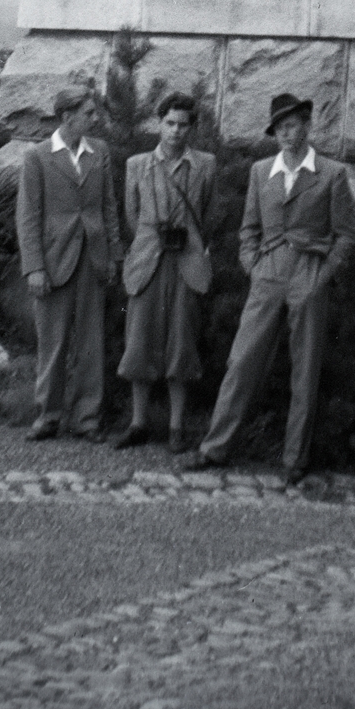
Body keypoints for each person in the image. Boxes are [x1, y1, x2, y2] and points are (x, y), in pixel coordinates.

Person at [185, 91, 355, 485]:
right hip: (268, 273)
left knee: (305, 367)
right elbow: (248, 228)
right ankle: (216, 449)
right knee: (242, 360)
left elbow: (347, 234)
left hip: (309, 273)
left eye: (292, 125)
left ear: (307, 126)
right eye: (279, 128)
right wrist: (253, 264)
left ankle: (294, 459)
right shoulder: (262, 171)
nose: (285, 134)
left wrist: (322, 276)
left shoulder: (331, 173)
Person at [16, 86, 121, 443]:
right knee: (53, 343)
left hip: (93, 259)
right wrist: (34, 267)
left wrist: (113, 256)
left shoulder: (99, 153)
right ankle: (48, 416)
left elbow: (108, 208)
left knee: (91, 342)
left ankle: (87, 419)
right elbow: (28, 216)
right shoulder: (38, 157)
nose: (96, 119)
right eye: (89, 113)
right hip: (53, 261)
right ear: (67, 117)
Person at [114, 91, 216, 454]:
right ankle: (139, 423)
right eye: (169, 123)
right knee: (139, 341)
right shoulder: (137, 165)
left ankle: (176, 428)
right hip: (147, 261)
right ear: (159, 123)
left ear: (192, 128)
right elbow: (132, 214)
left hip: (186, 262)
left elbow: (206, 212)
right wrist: (150, 239)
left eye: (183, 125)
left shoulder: (205, 164)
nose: (175, 131)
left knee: (181, 343)